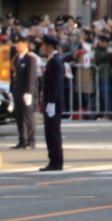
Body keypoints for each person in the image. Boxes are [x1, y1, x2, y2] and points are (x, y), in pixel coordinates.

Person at [40, 34, 64, 171]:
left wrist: (52, 102)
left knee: (53, 133)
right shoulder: (52, 59)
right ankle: (53, 161)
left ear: (49, 46)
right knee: (50, 133)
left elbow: (55, 83)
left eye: (44, 45)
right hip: (51, 102)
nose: (42, 47)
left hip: (53, 103)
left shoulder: (55, 60)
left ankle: (56, 162)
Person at [10, 33, 37, 149]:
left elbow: (31, 77)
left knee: (28, 117)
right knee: (19, 118)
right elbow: (14, 76)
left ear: (25, 44)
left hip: (25, 92)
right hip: (17, 92)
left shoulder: (30, 58)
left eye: (19, 43)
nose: (16, 45)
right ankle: (22, 140)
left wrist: (29, 92)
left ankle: (31, 140)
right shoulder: (16, 58)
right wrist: (12, 90)